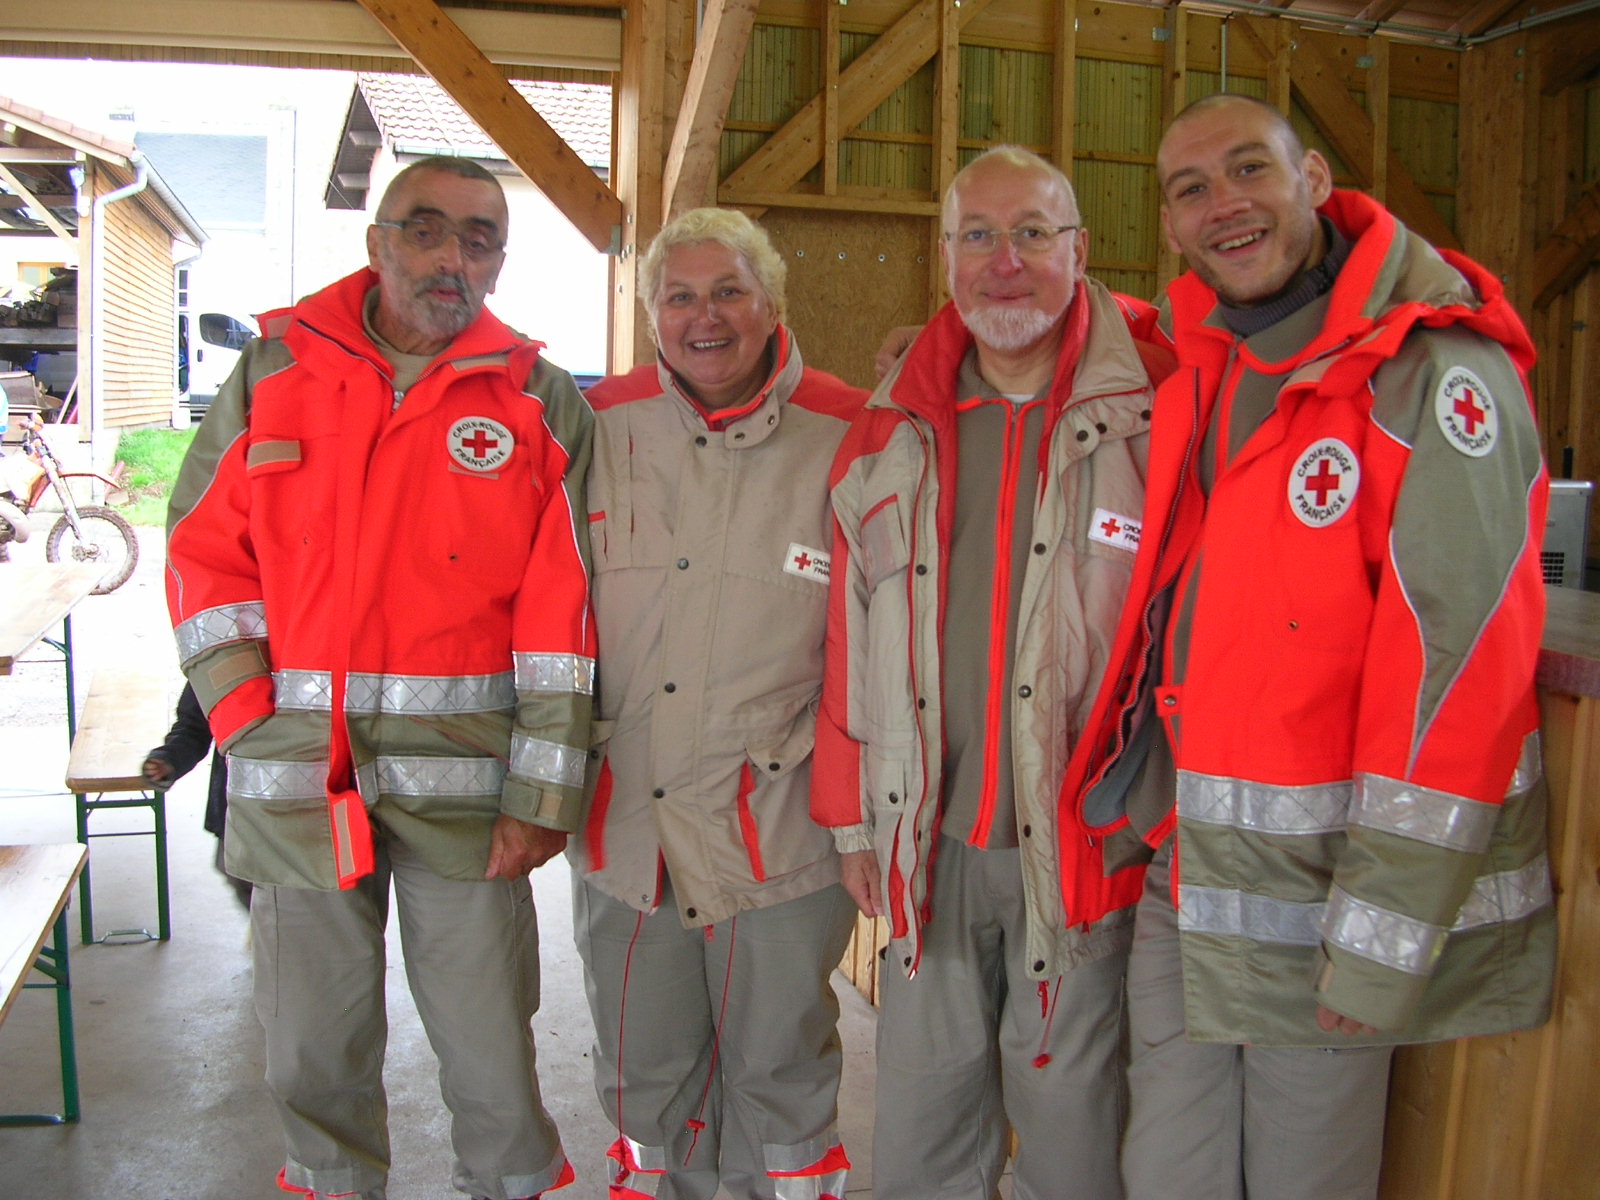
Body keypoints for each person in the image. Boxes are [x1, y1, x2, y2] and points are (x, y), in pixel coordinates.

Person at [1116, 93, 1556, 1200]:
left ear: (1311, 178)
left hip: (1327, 906)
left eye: (1247, 170)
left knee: (1302, 1182)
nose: (1225, 206)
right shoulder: (1210, 358)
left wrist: (1380, 934)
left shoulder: (1436, 375)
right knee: (1164, 1167)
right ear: (1169, 225)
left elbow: (1460, 673)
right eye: (1191, 188)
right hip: (1190, 872)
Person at [164, 155, 594, 1200]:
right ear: (377, 241)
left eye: (479, 237)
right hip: (298, 784)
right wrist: (244, 715)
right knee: (309, 1048)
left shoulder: (537, 400)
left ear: (500, 260)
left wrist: (544, 799)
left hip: (472, 796)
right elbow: (203, 553)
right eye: (426, 228)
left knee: (491, 1049)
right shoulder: (274, 371)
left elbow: (565, 618)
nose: (452, 257)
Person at [813, 145, 1174, 1200]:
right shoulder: (890, 430)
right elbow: (846, 633)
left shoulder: (1156, 412)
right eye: (978, 235)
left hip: (1081, 841)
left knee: (1072, 1133)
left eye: (1031, 234)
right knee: (922, 1129)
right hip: (926, 843)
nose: (1003, 261)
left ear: (1082, 251)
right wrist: (850, 822)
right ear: (944, 257)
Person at [568, 207, 867, 1200]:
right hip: (627, 838)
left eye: (728, 291)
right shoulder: (593, 430)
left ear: (771, 301)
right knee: (646, 1088)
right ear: (650, 311)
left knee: (778, 1084)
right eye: (680, 296)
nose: (706, 317)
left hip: (777, 838)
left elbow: (882, 646)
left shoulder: (853, 434)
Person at [142, 681, 249, 909]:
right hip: (238, 807)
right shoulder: (221, 653)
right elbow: (193, 727)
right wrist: (171, 758)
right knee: (240, 876)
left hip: (313, 811)